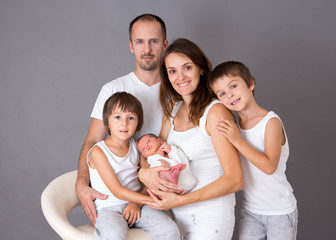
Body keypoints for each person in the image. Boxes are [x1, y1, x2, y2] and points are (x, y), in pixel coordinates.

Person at [75, 14, 176, 225]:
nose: (146, 49)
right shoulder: (112, 89)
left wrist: (139, 200)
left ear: (164, 44)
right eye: (140, 42)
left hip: (162, 187)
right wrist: (81, 184)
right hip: (120, 195)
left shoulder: (177, 90)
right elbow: (93, 142)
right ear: (131, 46)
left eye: (154, 41)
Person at [139, 38, 244, 240]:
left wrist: (181, 201)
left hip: (209, 217)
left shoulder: (216, 113)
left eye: (187, 67)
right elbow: (153, 153)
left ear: (201, 69)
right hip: (177, 216)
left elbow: (235, 179)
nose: (180, 77)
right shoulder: (172, 108)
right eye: (172, 71)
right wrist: (144, 173)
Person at [208, 61, 298, 239]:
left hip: (280, 211)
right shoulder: (234, 127)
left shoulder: (270, 122)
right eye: (222, 93)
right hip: (250, 211)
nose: (230, 94)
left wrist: (237, 140)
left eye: (233, 86)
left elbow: (269, 166)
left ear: (250, 84)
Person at [88, 92, 180, 239]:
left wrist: (136, 204)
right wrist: (154, 201)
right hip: (109, 209)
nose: (124, 123)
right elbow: (117, 191)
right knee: (113, 234)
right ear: (107, 122)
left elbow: (149, 180)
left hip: (137, 203)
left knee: (169, 230)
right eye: (118, 117)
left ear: (138, 123)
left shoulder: (137, 146)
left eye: (130, 118)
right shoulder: (98, 151)